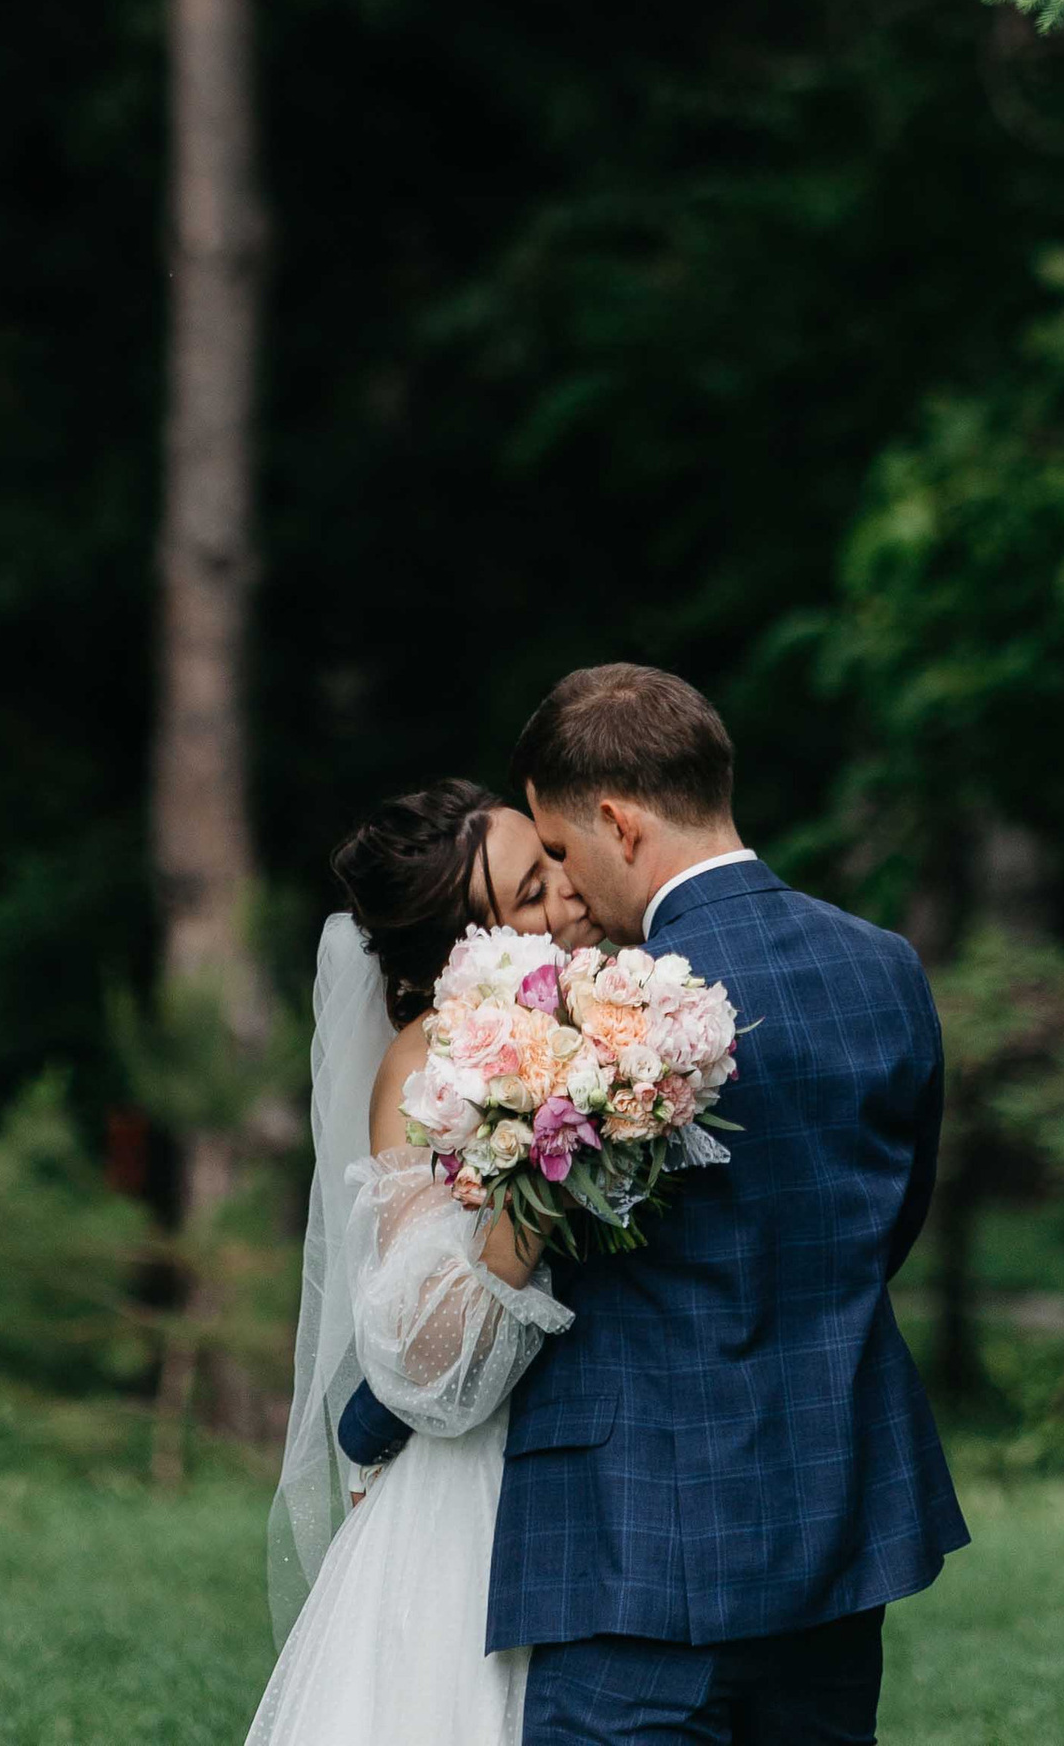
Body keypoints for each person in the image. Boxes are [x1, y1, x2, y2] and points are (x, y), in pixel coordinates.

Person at [321, 663, 968, 1746]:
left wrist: (373, 1424)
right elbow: (888, 1220)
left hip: (625, 1544)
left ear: (616, 823)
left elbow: (522, 1268)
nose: (566, 897)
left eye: (562, 859)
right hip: (835, 1520)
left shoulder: (595, 1020)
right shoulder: (885, 968)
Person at [247, 778, 595, 1746]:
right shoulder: (428, 1063)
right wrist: (549, 1145)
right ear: (463, 954)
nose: (567, 893)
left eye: (556, 861)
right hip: (475, 1494)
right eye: (531, 893)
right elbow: (420, 1355)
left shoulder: (619, 1010)